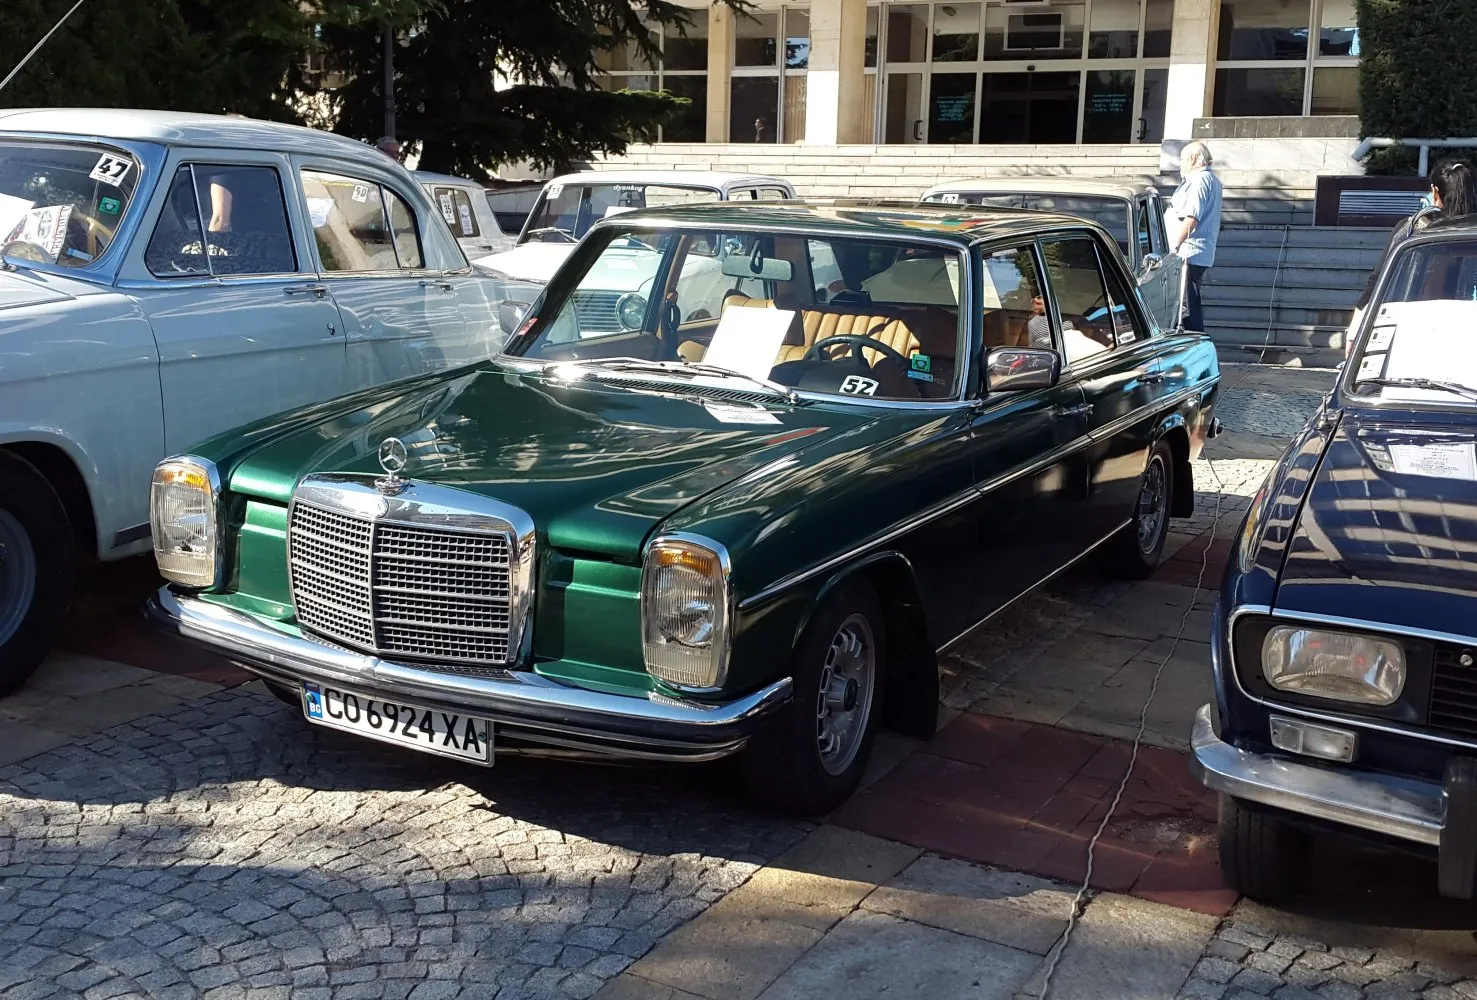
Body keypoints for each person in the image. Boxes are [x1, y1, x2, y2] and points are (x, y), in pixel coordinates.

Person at [1345, 158, 1477, 355]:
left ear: (1435, 191)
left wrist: (1354, 333)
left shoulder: (1410, 230)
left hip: (1411, 329)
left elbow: (1377, 281)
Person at [1167, 141, 1223, 332]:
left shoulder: (1200, 180)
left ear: (1192, 159)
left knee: (1186, 306)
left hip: (1187, 253)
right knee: (1187, 302)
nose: (1180, 164)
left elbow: (1192, 217)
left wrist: (1174, 246)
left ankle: (1194, 345)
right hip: (1193, 252)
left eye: (1182, 160)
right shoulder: (1209, 180)